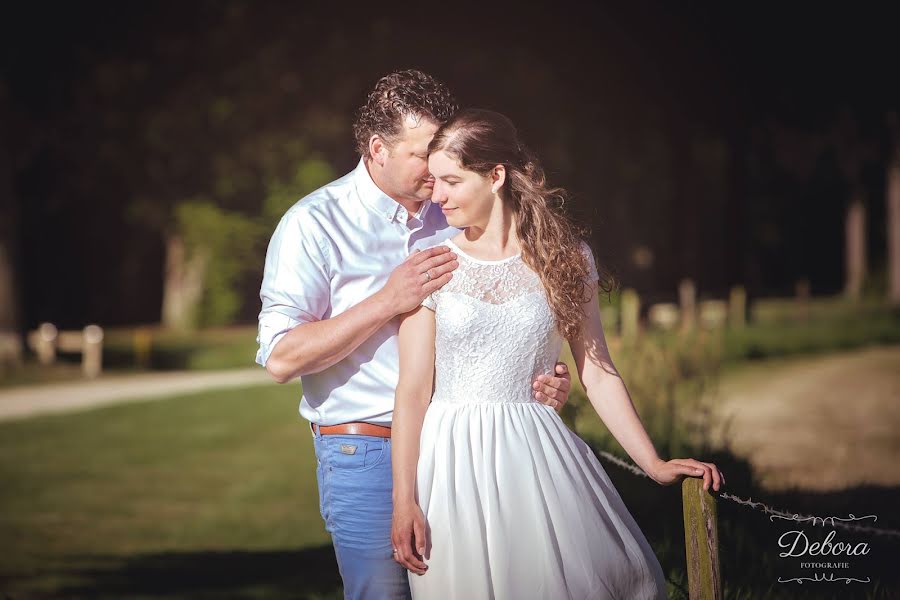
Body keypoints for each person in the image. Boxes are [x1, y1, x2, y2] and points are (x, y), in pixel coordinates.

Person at [255, 71, 575, 600]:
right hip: (370, 455)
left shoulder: (455, 210)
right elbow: (281, 359)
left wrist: (541, 379)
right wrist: (386, 301)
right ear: (378, 149)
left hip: (467, 450)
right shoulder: (313, 225)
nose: (441, 165)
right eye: (426, 152)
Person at [390, 108, 725, 599]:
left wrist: (653, 463)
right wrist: (405, 502)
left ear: (496, 176)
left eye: (451, 181)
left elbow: (598, 371)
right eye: (434, 181)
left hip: (534, 456)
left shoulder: (565, 258)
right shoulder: (433, 265)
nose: (437, 196)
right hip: (451, 460)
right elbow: (413, 392)